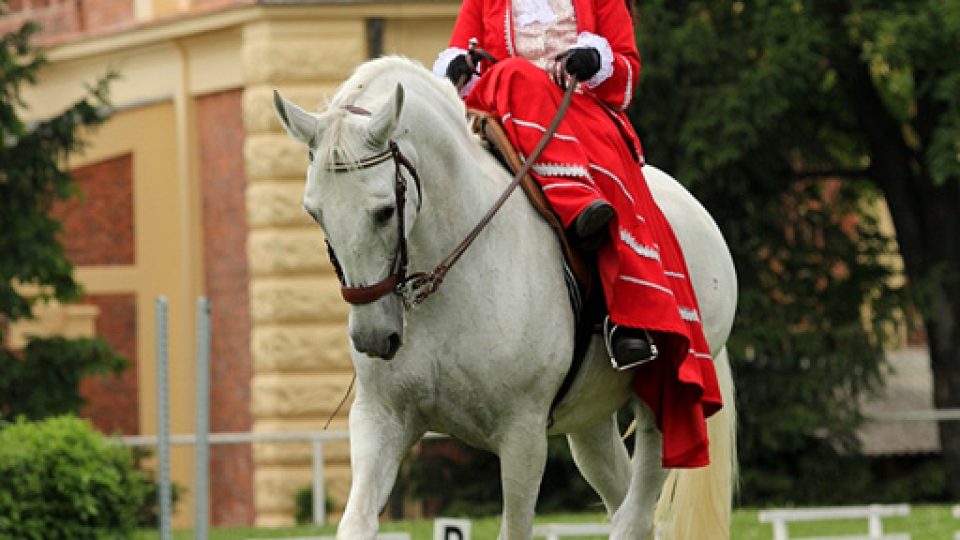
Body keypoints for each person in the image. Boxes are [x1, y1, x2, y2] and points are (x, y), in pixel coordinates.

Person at [433, 0, 722, 467]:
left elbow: (626, 74)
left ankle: (626, 319)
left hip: (580, 116)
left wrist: (594, 62)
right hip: (504, 119)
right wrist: (460, 70)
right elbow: (454, 63)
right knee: (501, 95)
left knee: (522, 83)